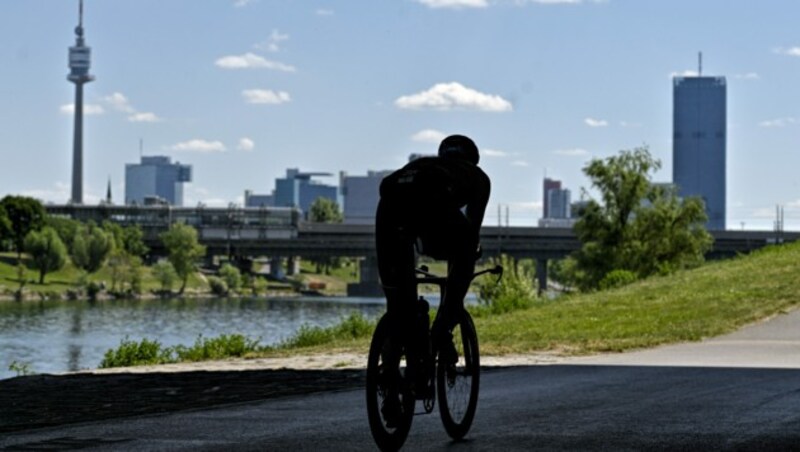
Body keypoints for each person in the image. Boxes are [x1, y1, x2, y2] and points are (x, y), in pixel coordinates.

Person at [375, 134, 490, 399]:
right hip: (431, 203)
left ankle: (390, 371)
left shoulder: (423, 165)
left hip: (390, 202)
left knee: (398, 302)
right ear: (473, 160)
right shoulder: (477, 177)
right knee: (465, 256)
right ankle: (442, 330)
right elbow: (471, 230)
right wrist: (467, 257)